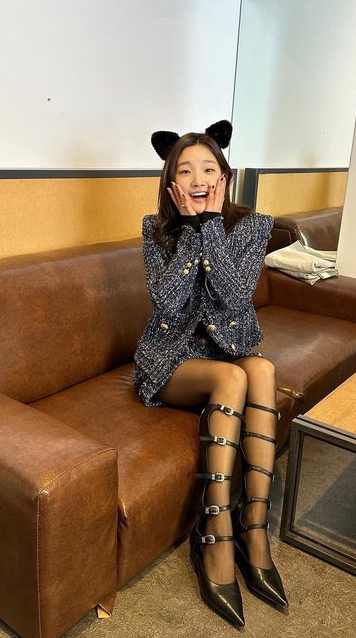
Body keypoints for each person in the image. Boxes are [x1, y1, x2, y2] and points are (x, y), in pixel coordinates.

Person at [134, 120, 288, 627]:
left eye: (208, 168)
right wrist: (191, 230)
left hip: (225, 350)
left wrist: (212, 226)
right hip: (169, 359)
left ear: (224, 176)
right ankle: (215, 536)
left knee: (260, 369)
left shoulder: (254, 226)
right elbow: (168, 304)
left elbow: (235, 298)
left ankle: (254, 526)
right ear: (170, 182)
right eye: (185, 170)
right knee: (232, 379)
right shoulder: (155, 230)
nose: (198, 178)